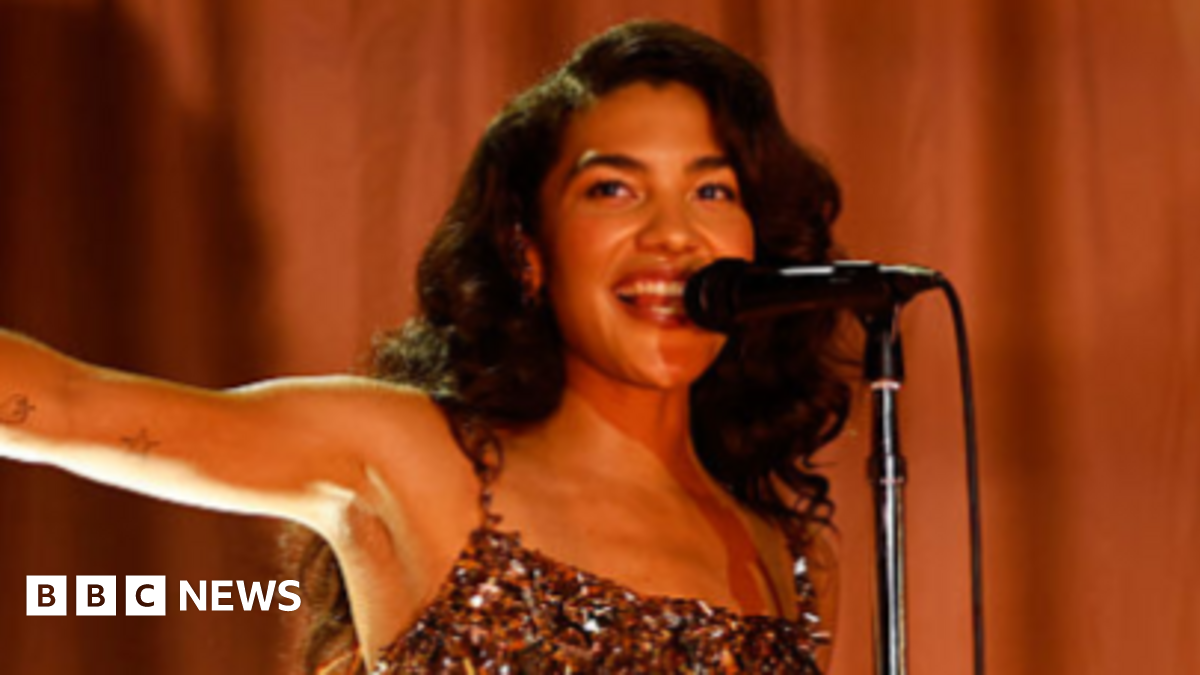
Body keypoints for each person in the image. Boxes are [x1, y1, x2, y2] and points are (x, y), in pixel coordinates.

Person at [0, 20, 851, 675]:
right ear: (528, 249)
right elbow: (61, 404)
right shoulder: (409, 457)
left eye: (712, 188)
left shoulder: (789, 553)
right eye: (614, 188)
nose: (674, 234)